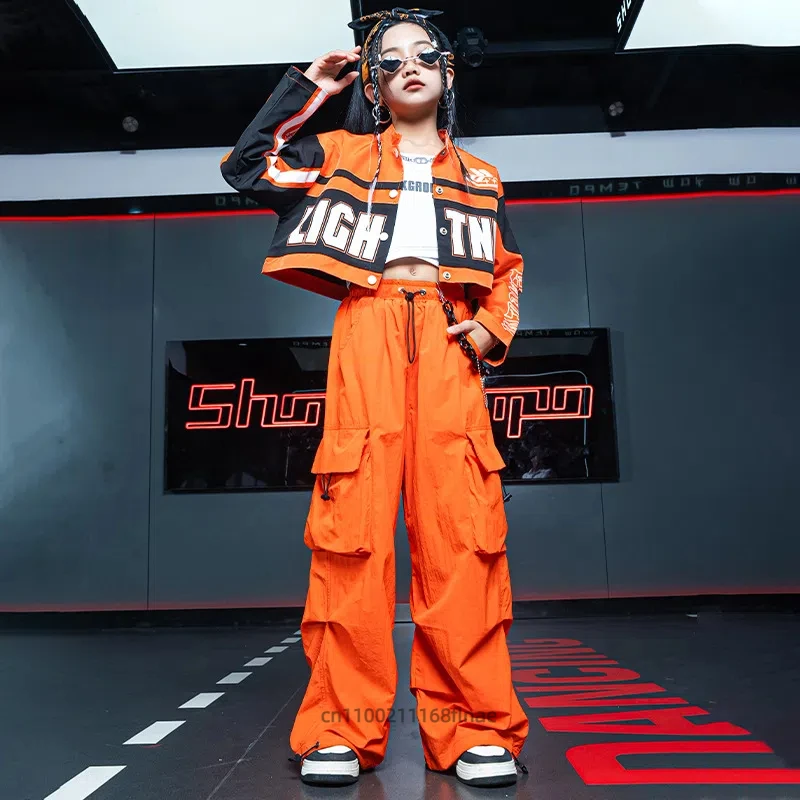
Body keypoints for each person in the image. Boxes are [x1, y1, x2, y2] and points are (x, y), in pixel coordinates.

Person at [220, 7, 529, 789]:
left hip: (449, 338)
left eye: (424, 55)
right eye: (389, 61)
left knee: (463, 539)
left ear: (447, 73)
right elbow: (249, 165)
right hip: (368, 326)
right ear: (372, 84)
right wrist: (308, 86)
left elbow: (505, 268)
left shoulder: (483, 176)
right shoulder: (340, 154)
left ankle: (472, 727)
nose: (409, 66)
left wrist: (491, 330)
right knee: (351, 532)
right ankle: (340, 726)